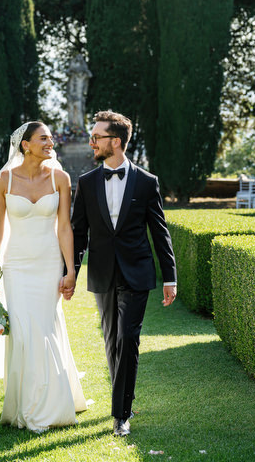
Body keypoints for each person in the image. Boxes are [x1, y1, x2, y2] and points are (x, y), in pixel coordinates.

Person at [70, 110, 177, 437]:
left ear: (115, 142)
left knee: (128, 338)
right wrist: (71, 273)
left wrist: (169, 276)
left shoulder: (147, 182)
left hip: (137, 271)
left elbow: (159, 231)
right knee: (112, 340)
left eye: (97, 137)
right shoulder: (87, 183)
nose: (92, 143)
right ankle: (122, 404)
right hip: (103, 273)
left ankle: (121, 414)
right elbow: (78, 233)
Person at [0, 121, 87, 433]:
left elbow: (65, 227)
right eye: (43, 139)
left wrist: (70, 271)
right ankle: (28, 407)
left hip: (48, 263)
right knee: (24, 333)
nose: (50, 143)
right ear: (25, 144)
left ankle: (53, 404)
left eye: (51, 139)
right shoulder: (4, 181)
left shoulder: (61, 178)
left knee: (46, 327)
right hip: (17, 266)